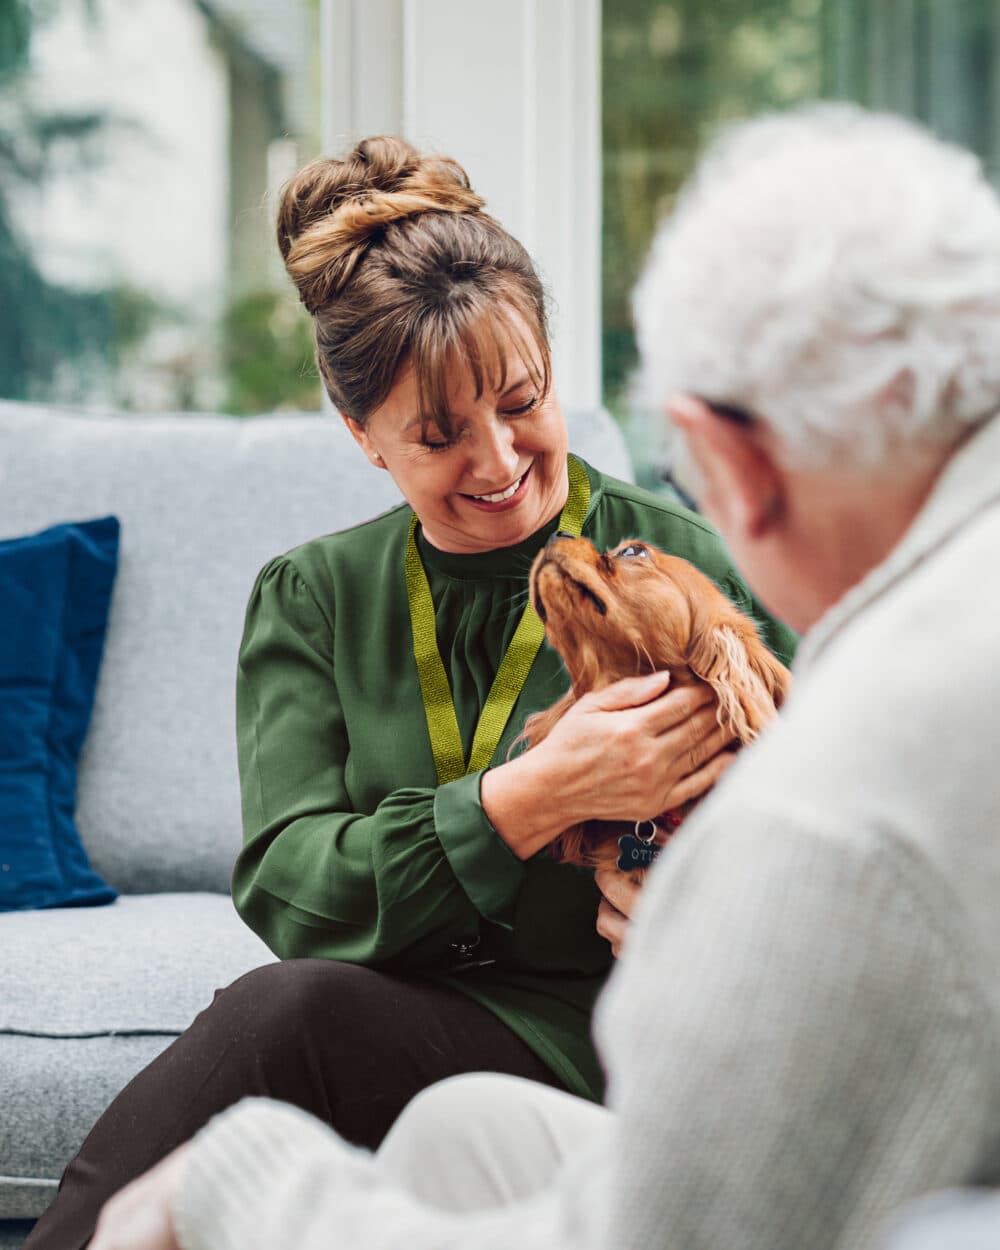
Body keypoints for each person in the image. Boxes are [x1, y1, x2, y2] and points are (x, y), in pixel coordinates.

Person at [89, 103, 1000, 1250]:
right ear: (361, 431)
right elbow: (291, 893)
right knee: (339, 1041)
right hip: (424, 1015)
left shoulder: (693, 567)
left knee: (342, 1061)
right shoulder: (313, 595)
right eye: (437, 435)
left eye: (523, 403)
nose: (501, 459)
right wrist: (530, 797)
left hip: (629, 1021)